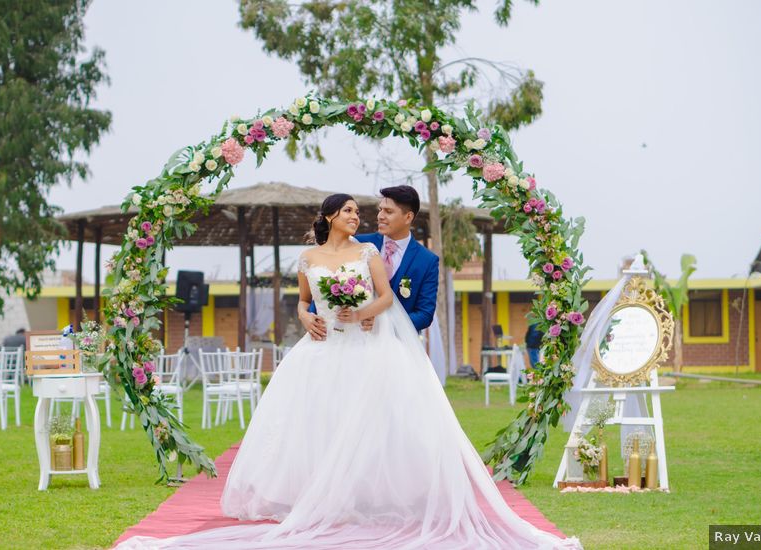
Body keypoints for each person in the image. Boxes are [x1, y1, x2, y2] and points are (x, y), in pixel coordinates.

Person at [116, 194, 580, 549]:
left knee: (374, 423)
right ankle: (318, 495)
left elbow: (385, 298)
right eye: (353, 212)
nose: (361, 218)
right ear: (332, 216)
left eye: (366, 212)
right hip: (321, 349)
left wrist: (363, 313)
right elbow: (301, 299)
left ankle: (375, 496)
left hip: (365, 346)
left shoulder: (370, 254)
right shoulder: (309, 259)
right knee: (319, 420)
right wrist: (305, 316)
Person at [303, 185, 439, 340]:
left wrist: (385, 325)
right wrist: (309, 315)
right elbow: (329, 284)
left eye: (388, 212)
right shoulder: (357, 243)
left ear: (408, 217)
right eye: (380, 209)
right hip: (349, 339)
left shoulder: (427, 260)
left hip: (397, 346)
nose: (380, 216)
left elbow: (425, 314)